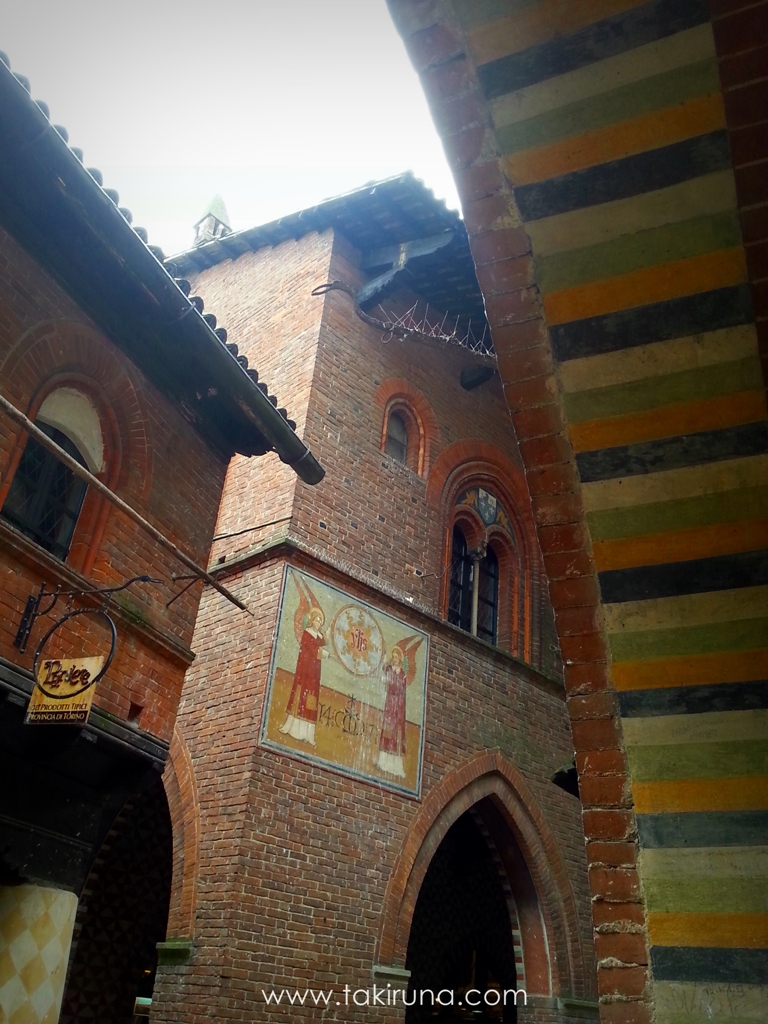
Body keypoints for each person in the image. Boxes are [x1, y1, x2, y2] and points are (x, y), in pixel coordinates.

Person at [280, 607, 328, 746]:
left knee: (311, 699)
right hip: (305, 672)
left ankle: (308, 734)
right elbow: (313, 650)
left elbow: (323, 641)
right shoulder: (307, 634)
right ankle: (294, 730)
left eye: (320, 621)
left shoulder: (318, 635)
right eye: (316, 620)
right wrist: (325, 654)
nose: (318, 623)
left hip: (314, 674)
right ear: (311, 620)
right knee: (302, 697)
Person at [376, 646, 407, 778]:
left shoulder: (402, 675)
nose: (394, 659)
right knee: (387, 731)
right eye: (393, 657)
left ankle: (394, 766)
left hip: (397, 707)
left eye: (396, 657)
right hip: (389, 704)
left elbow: (399, 689)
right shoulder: (389, 669)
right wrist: (384, 661)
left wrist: (389, 681)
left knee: (395, 734)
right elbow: (383, 674)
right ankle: (382, 761)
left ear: (400, 659)